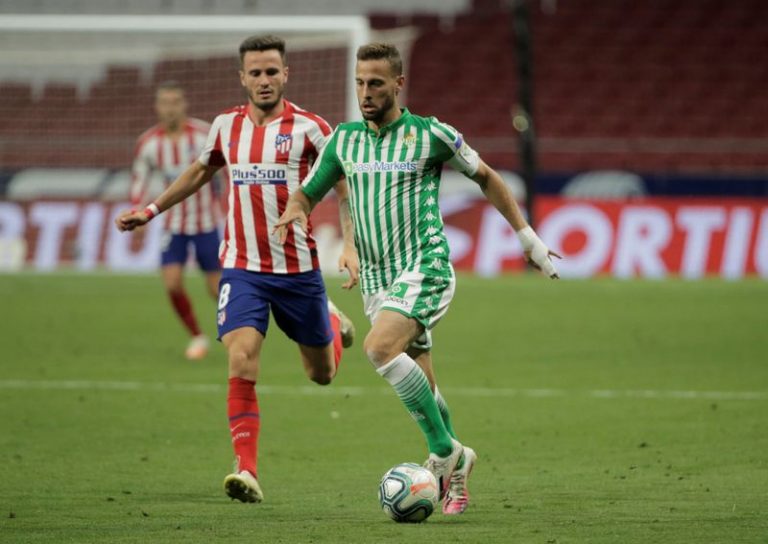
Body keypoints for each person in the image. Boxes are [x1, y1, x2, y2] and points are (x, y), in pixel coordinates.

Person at [274, 43, 561, 515]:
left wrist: (527, 237)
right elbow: (309, 193)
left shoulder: (430, 134)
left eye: (376, 84)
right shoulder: (343, 140)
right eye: (360, 83)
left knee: (377, 348)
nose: (366, 93)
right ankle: (459, 459)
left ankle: (444, 454)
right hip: (377, 281)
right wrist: (294, 212)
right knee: (424, 386)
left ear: (398, 84)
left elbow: (486, 176)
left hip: (425, 266)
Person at [116, 35, 358, 504]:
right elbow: (200, 170)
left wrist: (347, 245)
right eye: (256, 72)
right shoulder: (226, 126)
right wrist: (150, 210)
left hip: (298, 271)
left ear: (285, 74)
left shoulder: (311, 128)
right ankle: (246, 469)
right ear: (242, 76)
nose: (264, 80)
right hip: (242, 267)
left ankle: (329, 321)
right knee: (242, 356)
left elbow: (343, 186)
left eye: (272, 71)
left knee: (322, 374)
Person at [130, 81, 221, 360]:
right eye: (165, 103)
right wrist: (138, 214)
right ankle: (197, 335)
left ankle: (235, 332)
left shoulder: (205, 134)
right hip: (173, 226)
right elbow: (139, 182)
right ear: (157, 107)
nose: (170, 108)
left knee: (217, 289)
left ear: (184, 104)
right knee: (171, 283)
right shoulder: (148, 143)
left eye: (175, 102)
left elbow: (226, 171)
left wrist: (228, 205)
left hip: (206, 223)